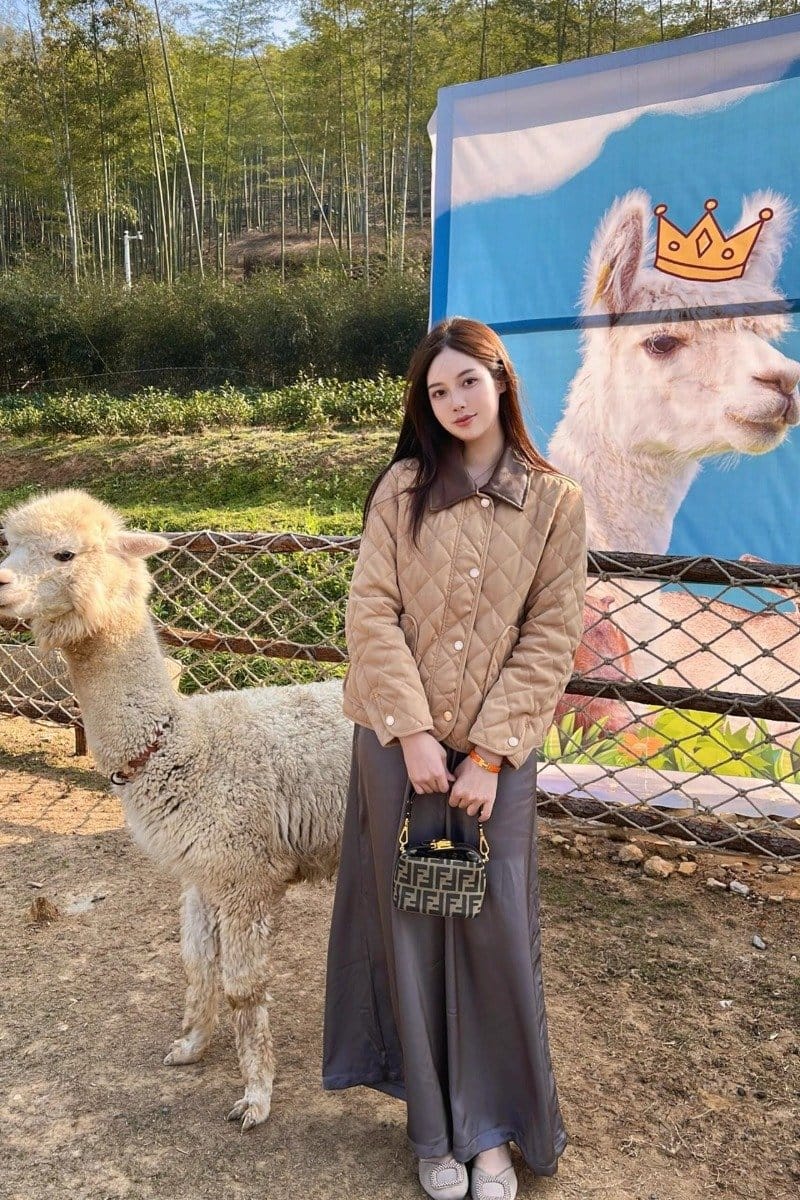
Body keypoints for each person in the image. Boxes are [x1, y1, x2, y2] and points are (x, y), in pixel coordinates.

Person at [322, 317, 587, 1200]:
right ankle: (432, 1132)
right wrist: (411, 733)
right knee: (407, 927)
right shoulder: (401, 489)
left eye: (468, 381)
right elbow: (371, 612)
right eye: (437, 391)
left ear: (501, 380)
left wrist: (491, 755)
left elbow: (551, 636)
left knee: (493, 930)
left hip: (493, 763)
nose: (455, 402)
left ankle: (493, 1132)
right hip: (395, 749)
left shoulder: (555, 501)